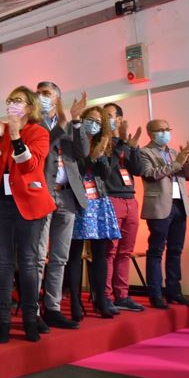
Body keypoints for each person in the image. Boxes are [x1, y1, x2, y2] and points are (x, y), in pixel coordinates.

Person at [0, 86, 55, 344]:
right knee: (3, 263)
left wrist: (14, 136)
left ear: (30, 106)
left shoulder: (39, 132)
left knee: (28, 261)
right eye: (10, 99)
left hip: (29, 203)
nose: (12, 104)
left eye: (19, 101)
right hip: (0, 204)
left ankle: (30, 320)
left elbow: (29, 165)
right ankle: (2, 322)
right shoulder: (0, 131)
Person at [34, 82, 89, 330]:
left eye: (46, 94)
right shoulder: (32, 122)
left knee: (60, 257)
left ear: (57, 97)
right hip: (43, 193)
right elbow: (42, 149)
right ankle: (32, 310)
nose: (41, 97)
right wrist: (63, 123)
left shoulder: (69, 121)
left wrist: (76, 121)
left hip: (67, 195)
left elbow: (82, 151)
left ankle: (53, 307)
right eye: (39, 94)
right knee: (36, 257)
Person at [67, 106, 122, 320]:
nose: (94, 124)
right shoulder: (74, 140)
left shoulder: (104, 143)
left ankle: (101, 300)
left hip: (99, 200)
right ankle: (75, 302)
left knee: (100, 253)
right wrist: (92, 156)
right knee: (74, 254)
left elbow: (107, 175)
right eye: (90, 119)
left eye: (99, 122)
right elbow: (76, 168)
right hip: (78, 199)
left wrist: (102, 155)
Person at [140, 119, 189, 308]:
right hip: (159, 205)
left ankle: (174, 291)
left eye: (167, 129)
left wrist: (186, 160)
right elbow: (150, 174)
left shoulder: (173, 152)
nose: (165, 132)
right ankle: (155, 294)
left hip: (179, 205)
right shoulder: (144, 152)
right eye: (160, 130)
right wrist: (176, 164)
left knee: (175, 250)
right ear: (150, 133)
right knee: (156, 251)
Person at [102, 103, 145, 312]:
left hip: (131, 200)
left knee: (125, 252)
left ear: (120, 119)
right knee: (110, 251)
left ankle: (122, 295)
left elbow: (137, 169)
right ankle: (106, 297)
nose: (108, 119)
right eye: (104, 116)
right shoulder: (101, 142)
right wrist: (119, 145)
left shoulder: (125, 142)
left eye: (111, 116)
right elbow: (106, 169)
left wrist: (133, 147)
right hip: (111, 199)